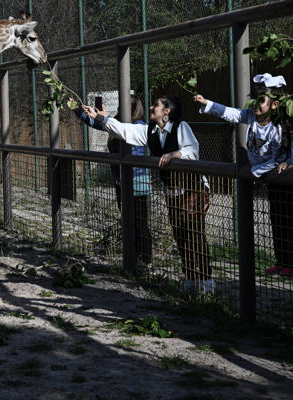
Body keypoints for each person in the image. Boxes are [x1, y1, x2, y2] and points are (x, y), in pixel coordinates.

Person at [80, 95, 214, 294]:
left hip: (192, 189)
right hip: (172, 190)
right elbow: (125, 130)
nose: (151, 107)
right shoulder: (150, 130)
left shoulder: (181, 126)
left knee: (194, 234)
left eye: (157, 105)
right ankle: (190, 278)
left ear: (167, 111)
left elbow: (192, 150)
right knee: (180, 235)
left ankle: (206, 281)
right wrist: (99, 117)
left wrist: (174, 154)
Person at [194, 73, 293, 276]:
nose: (255, 104)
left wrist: (253, 173)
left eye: (260, 100)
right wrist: (207, 103)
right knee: (276, 219)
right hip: (269, 176)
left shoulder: (278, 126)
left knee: (289, 220)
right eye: (254, 99)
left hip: (287, 176)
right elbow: (231, 113)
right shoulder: (251, 116)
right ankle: (282, 261)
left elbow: (279, 158)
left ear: (274, 105)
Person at [73, 96, 152, 265]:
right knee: (128, 220)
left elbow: (122, 132)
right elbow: (95, 123)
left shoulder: (138, 126)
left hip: (137, 180)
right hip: (120, 180)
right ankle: (133, 257)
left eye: (123, 107)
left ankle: (145, 260)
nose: (119, 109)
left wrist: (106, 119)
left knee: (139, 222)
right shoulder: (117, 123)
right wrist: (77, 109)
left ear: (132, 109)